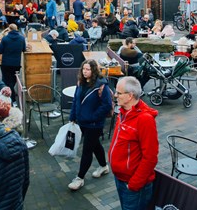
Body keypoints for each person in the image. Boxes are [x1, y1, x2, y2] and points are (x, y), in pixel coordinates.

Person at [109, 76, 159, 209]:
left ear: (130, 95)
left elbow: (150, 157)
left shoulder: (145, 120)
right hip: (120, 179)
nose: (115, 95)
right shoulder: (123, 112)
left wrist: (134, 184)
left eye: (119, 93)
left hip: (133, 185)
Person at [68, 59, 113, 191]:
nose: (85, 71)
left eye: (88, 69)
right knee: (95, 145)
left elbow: (107, 105)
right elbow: (76, 100)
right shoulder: (80, 83)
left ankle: (79, 178)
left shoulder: (101, 86)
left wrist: (92, 117)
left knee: (87, 150)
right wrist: (73, 117)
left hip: (94, 124)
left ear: (93, 70)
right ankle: (104, 166)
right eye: (83, 69)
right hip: (82, 122)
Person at [0, 24, 26, 103]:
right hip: (16, 64)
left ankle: (11, 98)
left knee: (6, 80)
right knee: (13, 80)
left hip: (5, 63)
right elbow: (24, 49)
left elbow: (0, 51)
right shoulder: (21, 38)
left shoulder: (5, 39)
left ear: (9, 29)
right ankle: (10, 94)